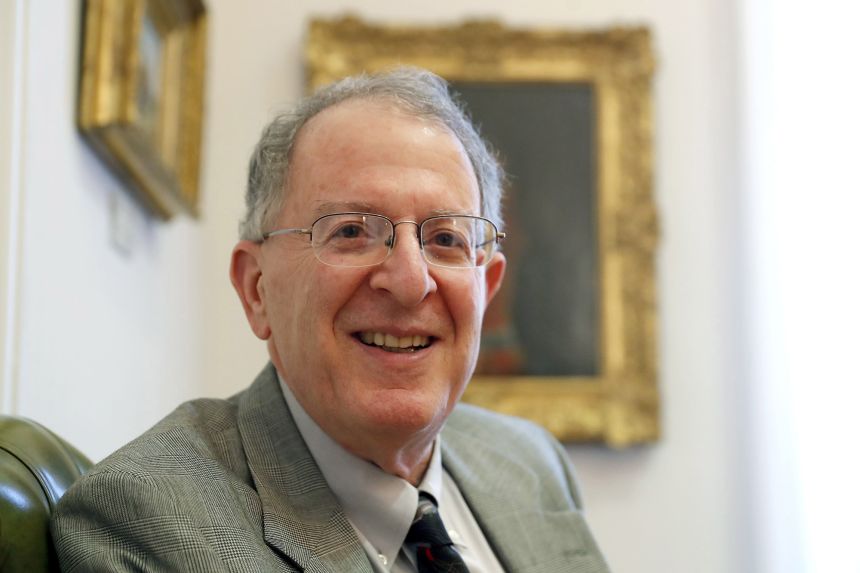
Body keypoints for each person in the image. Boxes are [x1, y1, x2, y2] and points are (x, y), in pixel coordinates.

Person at [51, 67, 610, 573]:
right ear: (257, 289)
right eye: (351, 232)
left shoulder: (530, 461)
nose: (411, 280)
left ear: (486, 291)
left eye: (445, 239)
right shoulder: (143, 521)